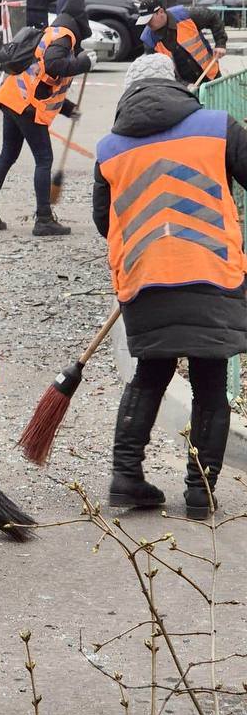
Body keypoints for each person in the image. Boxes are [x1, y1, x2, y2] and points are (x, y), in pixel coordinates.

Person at [93, 53, 247, 518]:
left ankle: (126, 478)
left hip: (145, 273)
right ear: (176, 86)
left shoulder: (109, 149)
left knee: (151, 373)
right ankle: (200, 493)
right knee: (209, 381)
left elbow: (104, 221)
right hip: (211, 268)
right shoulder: (218, 126)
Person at [0, 0, 95, 236]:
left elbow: (43, 80)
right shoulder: (65, 36)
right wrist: (82, 64)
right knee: (44, 159)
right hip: (27, 106)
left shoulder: (51, 33)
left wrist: (67, 108)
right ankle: (43, 219)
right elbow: (53, 66)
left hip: (12, 98)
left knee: (7, 154)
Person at [137, 0, 226, 84]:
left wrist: (220, 44)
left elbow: (213, 17)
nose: (147, 24)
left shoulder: (185, 15)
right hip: (184, 88)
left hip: (211, 74)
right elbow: (160, 71)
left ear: (161, 12)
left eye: (149, 20)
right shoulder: (149, 40)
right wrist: (184, 86)